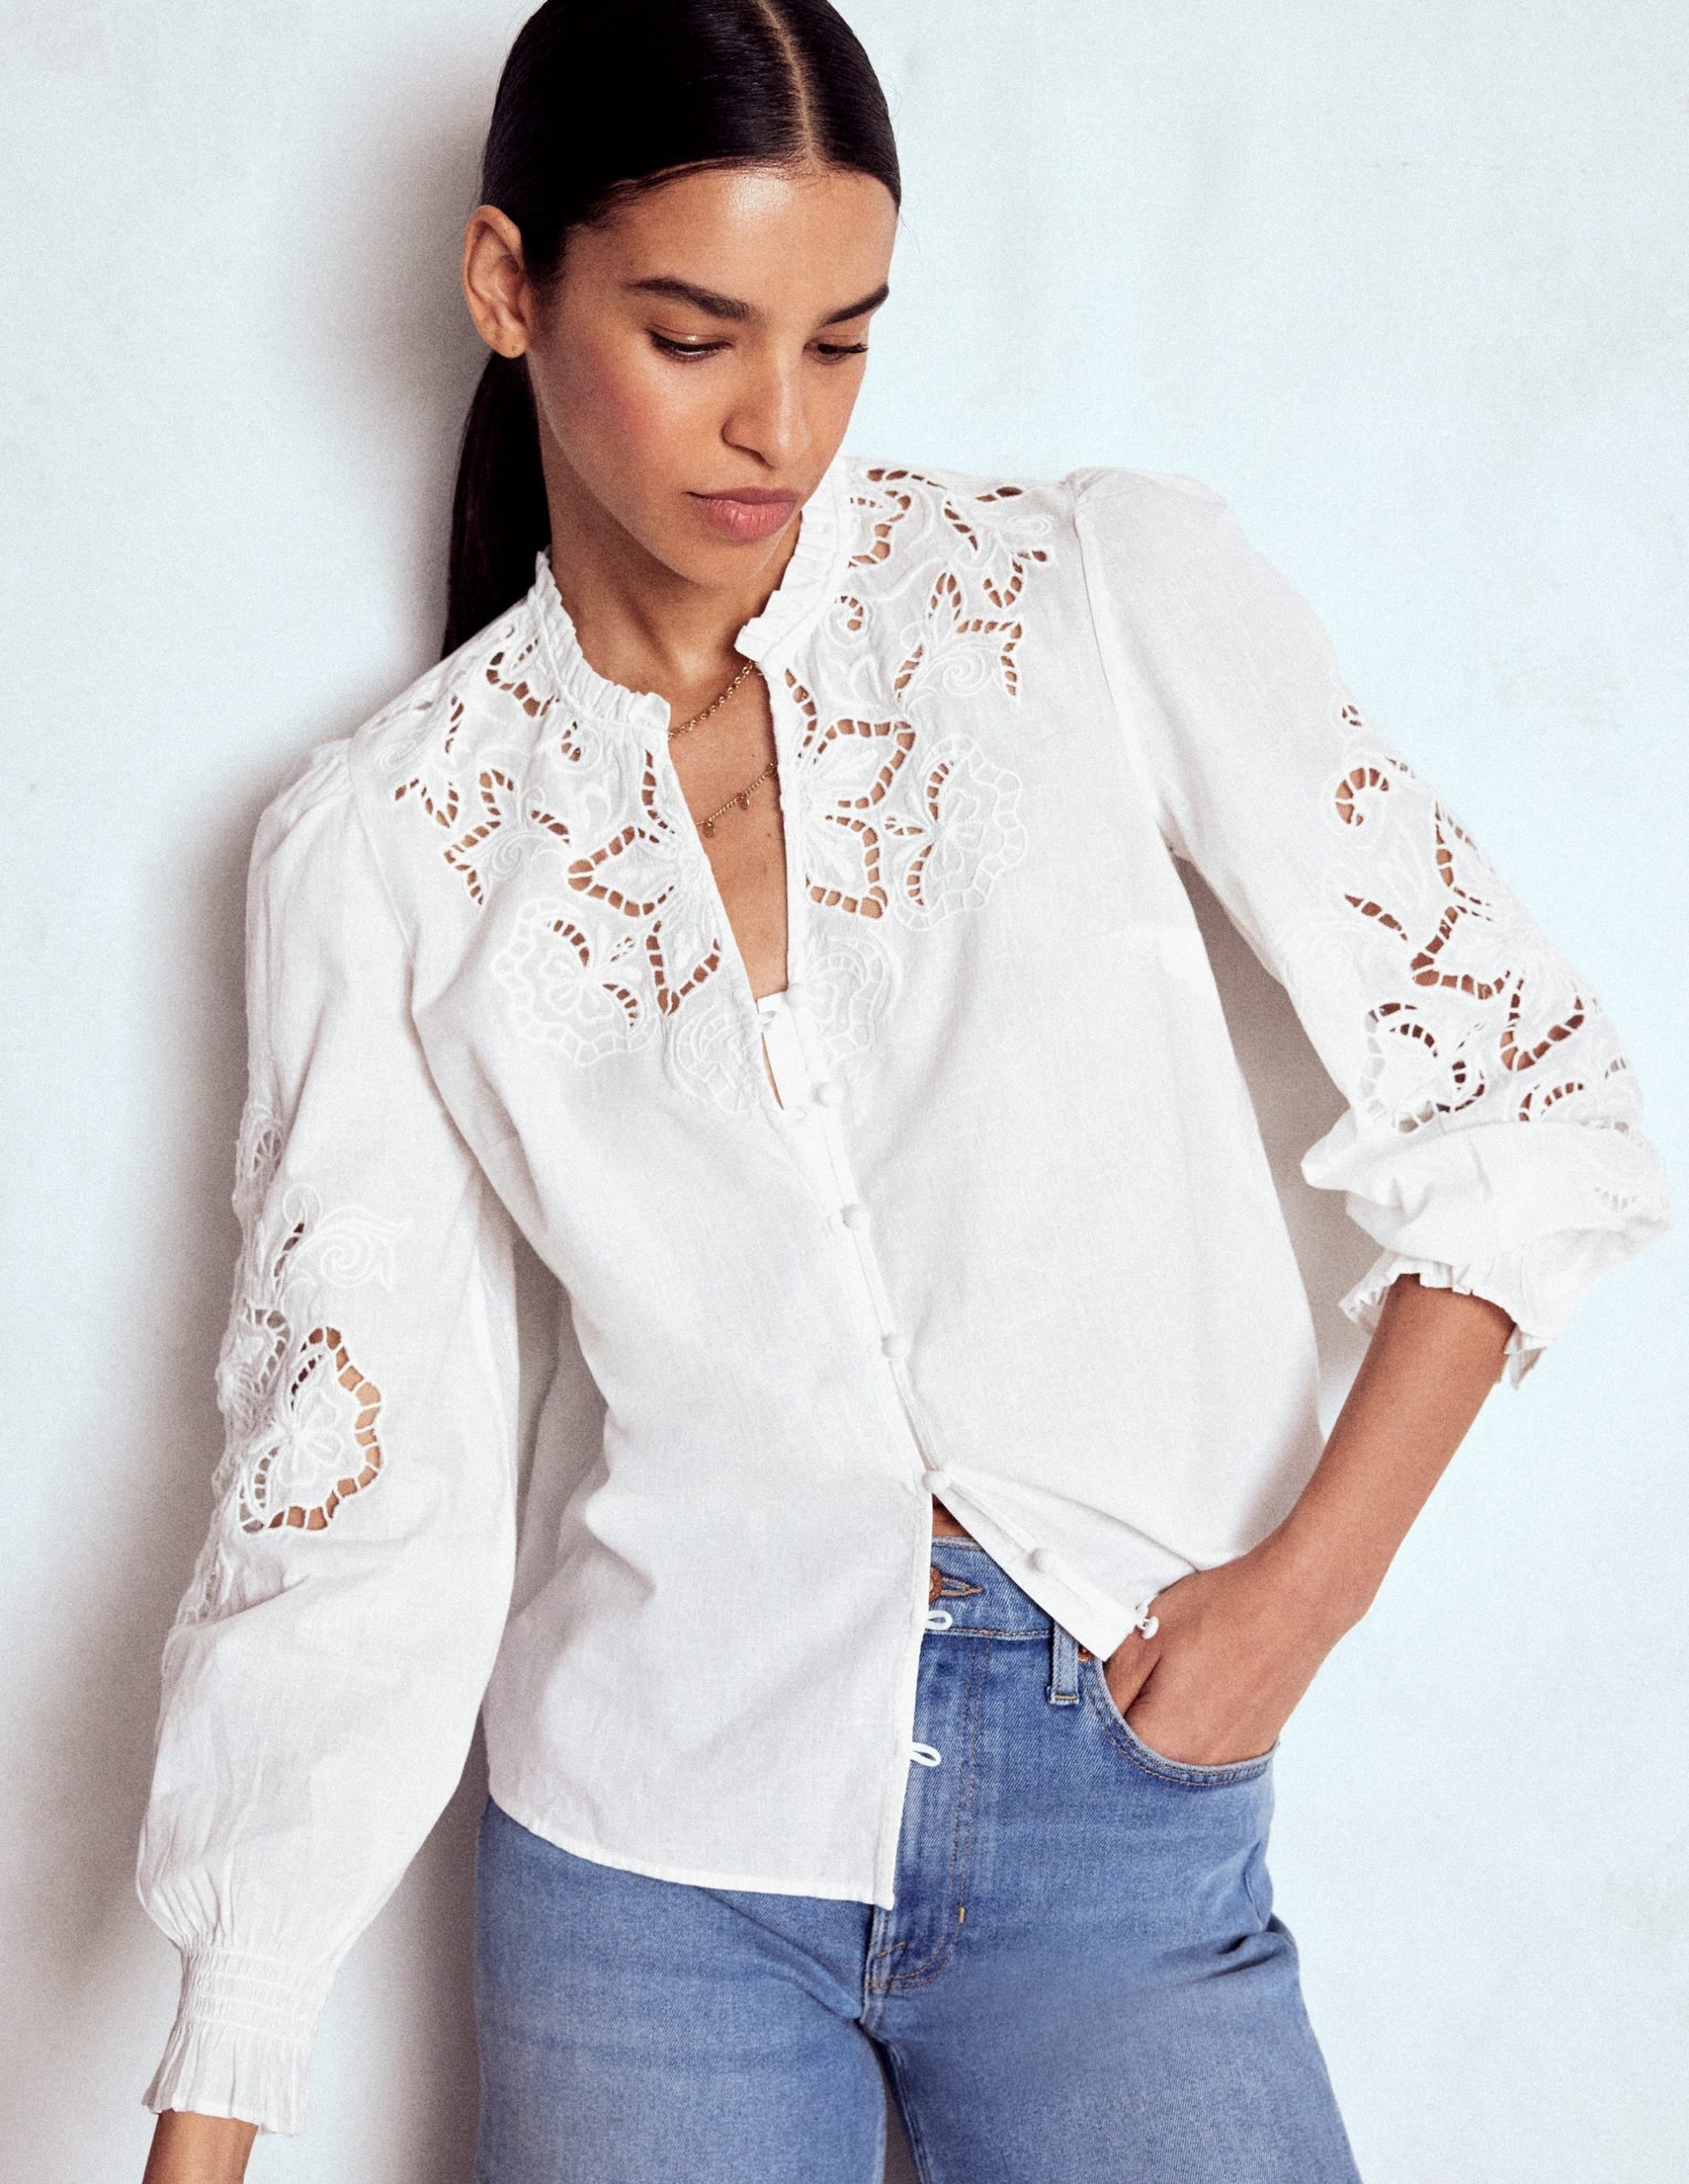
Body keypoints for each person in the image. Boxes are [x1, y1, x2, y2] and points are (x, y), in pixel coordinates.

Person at [136, 3, 1670, 2180]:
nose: (781, 425)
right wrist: (212, 2099)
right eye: (693, 336)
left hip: (1117, 1800)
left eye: (841, 339)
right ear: (506, 285)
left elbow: (1526, 1087)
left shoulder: (1085, 598)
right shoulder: (389, 843)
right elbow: (353, 1492)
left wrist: (1301, 1598)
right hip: (646, 1867)